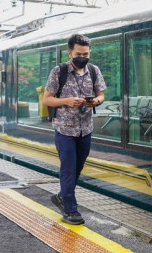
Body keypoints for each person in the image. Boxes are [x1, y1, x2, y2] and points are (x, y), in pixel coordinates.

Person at [43, 34, 106, 225]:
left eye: (86, 53)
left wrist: (95, 101)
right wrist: (67, 101)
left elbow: (101, 94)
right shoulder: (58, 71)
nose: (83, 57)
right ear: (70, 52)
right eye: (79, 53)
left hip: (85, 129)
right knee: (69, 168)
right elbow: (47, 99)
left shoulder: (94, 71)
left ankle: (62, 195)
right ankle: (70, 210)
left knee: (78, 166)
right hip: (65, 129)